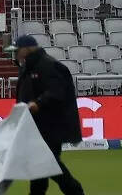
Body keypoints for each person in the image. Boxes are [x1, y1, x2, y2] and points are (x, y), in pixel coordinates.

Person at [9, 35, 86, 195]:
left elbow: (57, 92)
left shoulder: (49, 65)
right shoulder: (27, 67)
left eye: (17, 50)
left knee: (48, 164)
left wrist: (38, 103)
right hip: (35, 127)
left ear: (28, 49)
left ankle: (76, 192)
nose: (15, 54)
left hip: (51, 127)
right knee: (40, 168)